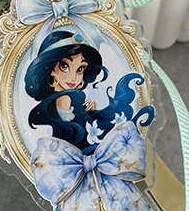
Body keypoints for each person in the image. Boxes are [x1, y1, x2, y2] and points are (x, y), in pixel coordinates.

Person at [24, 29, 153, 154]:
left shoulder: (68, 98)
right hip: (77, 150)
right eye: (65, 66)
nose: (73, 78)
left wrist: (90, 112)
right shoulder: (65, 98)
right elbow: (73, 132)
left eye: (80, 69)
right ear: (50, 67)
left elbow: (76, 122)